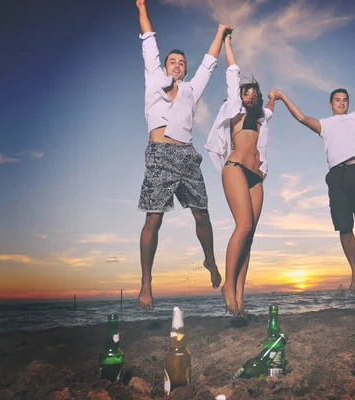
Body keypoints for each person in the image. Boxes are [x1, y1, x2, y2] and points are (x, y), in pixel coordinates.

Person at [135, 0, 230, 310]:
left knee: (201, 212)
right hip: (160, 155)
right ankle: (146, 281)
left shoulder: (191, 89)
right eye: (171, 61)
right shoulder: (154, 79)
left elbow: (209, 63)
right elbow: (149, 41)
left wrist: (219, 32)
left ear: (184, 69)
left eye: (180, 62)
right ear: (165, 66)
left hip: (187, 156)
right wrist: (141, 7)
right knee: (154, 219)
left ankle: (210, 261)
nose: (176, 64)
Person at [274, 64, 355, 294]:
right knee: (344, 227)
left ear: (348, 104)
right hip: (336, 176)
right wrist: (283, 97)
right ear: (330, 104)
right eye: (337, 100)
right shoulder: (325, 125)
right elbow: (301, 117)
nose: (342, 103)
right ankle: (354, 270)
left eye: (345, 100)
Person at [205, 32, 276, 316]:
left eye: (253, 93)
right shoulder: (234, 110)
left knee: (250, 235)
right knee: (243, 227)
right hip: (234, 168)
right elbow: (233, 74)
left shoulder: (260, 117)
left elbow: (268, 110)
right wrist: (227, 43)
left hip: (255, 176)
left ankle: (240, 298)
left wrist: (273, 99)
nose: (249, 96)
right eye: (246, 93)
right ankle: (227, 286)